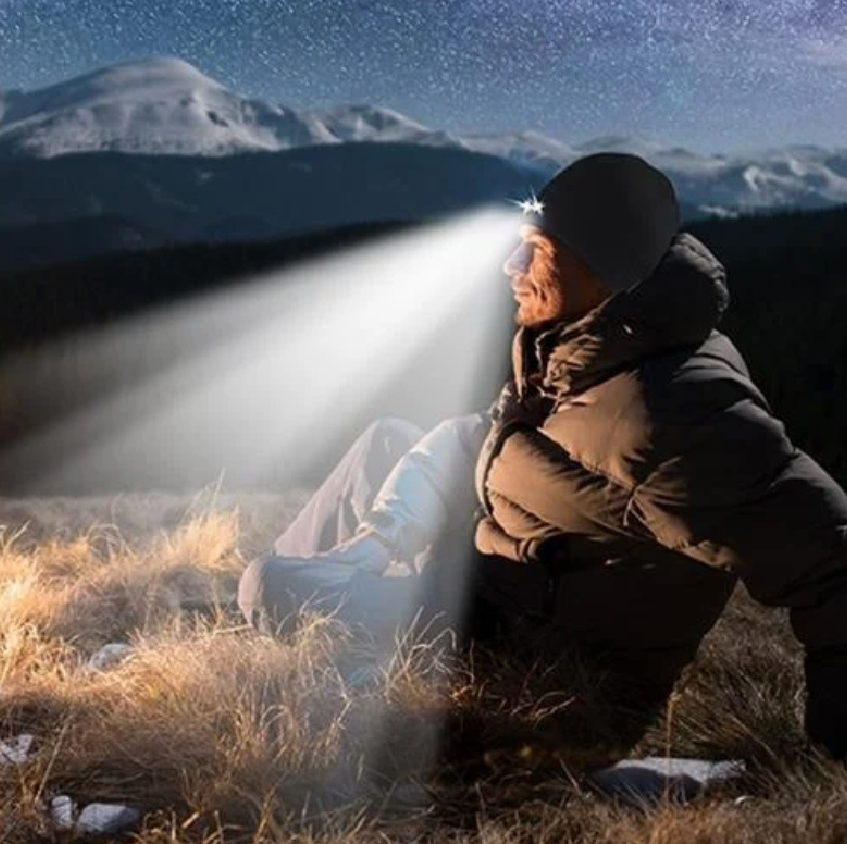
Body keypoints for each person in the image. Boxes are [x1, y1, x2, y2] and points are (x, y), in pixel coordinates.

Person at [238, 152, 847, 756]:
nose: (510, 265)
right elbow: (487, 437)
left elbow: (828, 556)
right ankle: (303, 628)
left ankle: (302, 642)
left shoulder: (673, 409)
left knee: (269, 586)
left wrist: (834, 748)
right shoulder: (582, 352)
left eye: (537, 250)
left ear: (606, 269)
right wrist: (380, 538)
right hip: (499, 590)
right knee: (387, 441)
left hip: (538, 673)